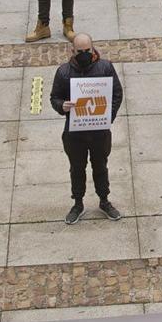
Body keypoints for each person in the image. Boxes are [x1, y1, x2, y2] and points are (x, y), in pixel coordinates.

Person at [51, 32, 124, 222]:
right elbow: (54, 97)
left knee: (100, 166)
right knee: (77, 168)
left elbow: (117, 93)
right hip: (74, 134)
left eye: (87, 50)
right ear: (72, 51)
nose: (84, 54)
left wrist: (108, 117)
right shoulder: (63, 72)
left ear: (93, 49)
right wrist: (62, 106)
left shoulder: (105, 67)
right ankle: (78, 203)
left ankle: (104, 200)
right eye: (80, 51)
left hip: (99, 132)